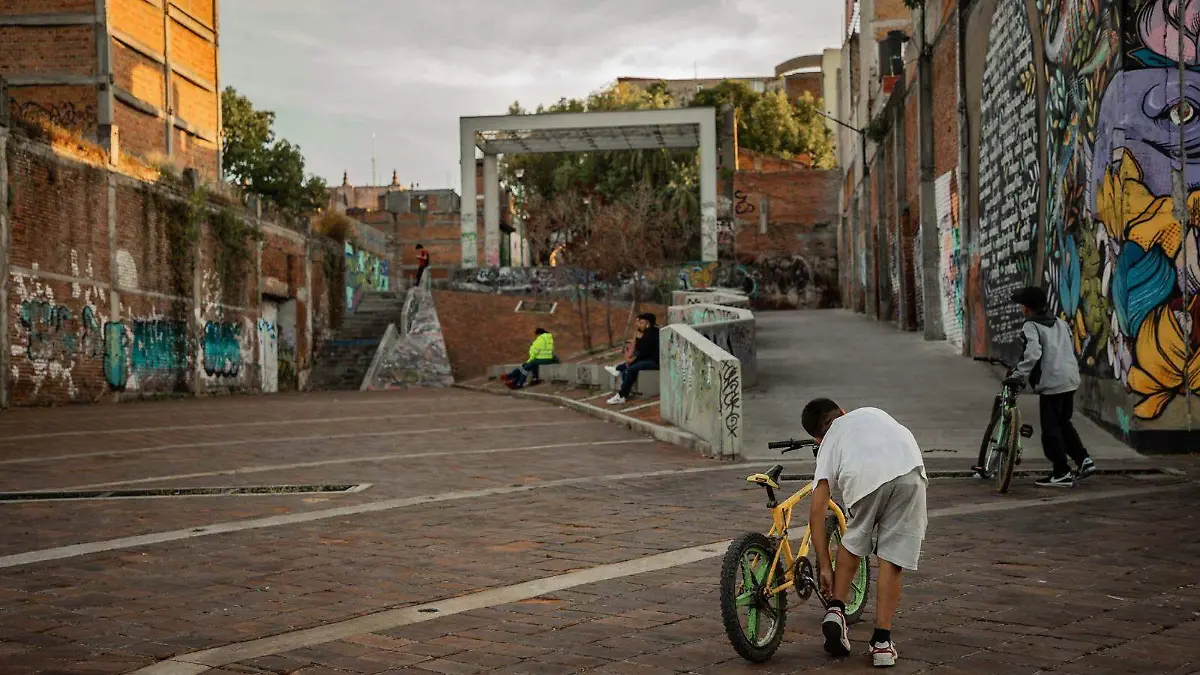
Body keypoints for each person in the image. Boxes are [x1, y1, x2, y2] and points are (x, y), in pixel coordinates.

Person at [802, 398, 927, 669]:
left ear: (817, 438)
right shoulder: (872, 412)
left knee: (855, 538)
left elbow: (817, 511)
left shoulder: (828, 443)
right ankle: (882, 642)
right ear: (843, 412)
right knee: (892, 558)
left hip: (864, 479)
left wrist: (824, 565)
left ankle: (836, 608)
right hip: (909, 468)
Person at [1004, 286, 1095, 488]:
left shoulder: (1031, 326)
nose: (1021, 309)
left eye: (1022, 305)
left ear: (1027, 309)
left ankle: (1061, 471)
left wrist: (1018, 375)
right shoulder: (1060, 323)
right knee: (1064, 423)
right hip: (1069, 379)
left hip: (1052, 383)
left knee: (1051, 429)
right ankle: (1083, 459)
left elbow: (1033, 353)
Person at [605, 313, 659, 405]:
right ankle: (623, 389)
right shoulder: (647, 333)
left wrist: (632, 361)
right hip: (648, 359)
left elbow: (644, 353)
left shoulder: (652, 334)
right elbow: (640, 350)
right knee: (629, 368)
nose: (639, 325)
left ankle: (622, 395)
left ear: (648, 324)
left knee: (631, 369)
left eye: (641, 323)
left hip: (654, 362)